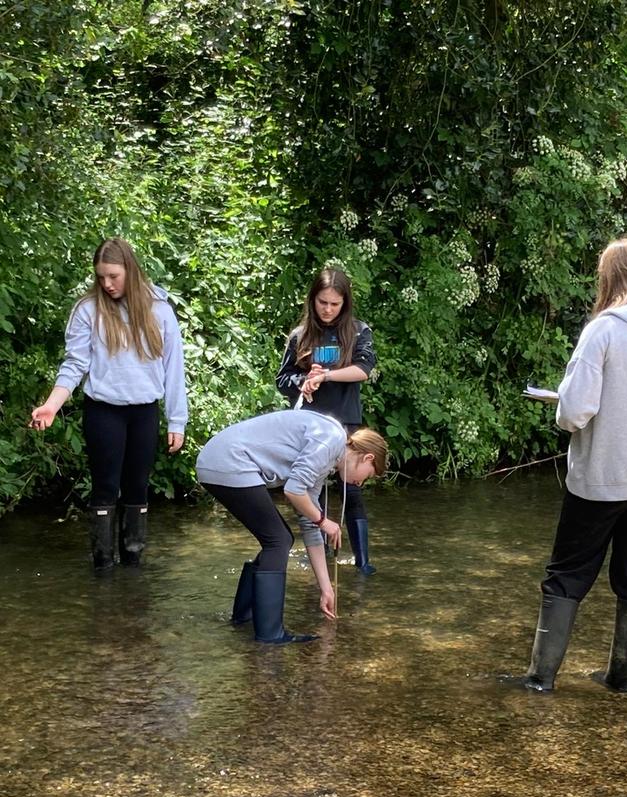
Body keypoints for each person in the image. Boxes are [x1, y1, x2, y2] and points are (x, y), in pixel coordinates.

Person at [505, 237, 627, 694]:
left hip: (606, 474)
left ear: (608, 279)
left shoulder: (603, 330)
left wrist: (560, 402)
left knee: (567, 573)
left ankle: (539, 680)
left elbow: (575, 413)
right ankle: (621, 679)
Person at [30, 238, 188, 570]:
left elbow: (174, 368)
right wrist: (52, 405)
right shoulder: (88, 310)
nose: (107, 284)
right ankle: (102, 567)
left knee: (137, 488)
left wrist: (177, 420)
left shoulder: (159, 309)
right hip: (104, 411)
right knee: (105, 487)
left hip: (144, 411)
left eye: (113, 276)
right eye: (101, 277)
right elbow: (75, 365)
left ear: (130, 270)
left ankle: (132, 568)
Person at [196, 408, 388, 644]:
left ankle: (243, 617)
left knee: (279, 538)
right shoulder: (331, 440)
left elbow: (310, 524)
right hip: (228, 461)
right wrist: (324, 521)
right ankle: (270, 634)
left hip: (220, 460)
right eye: (367, 476)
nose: (360, 483)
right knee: (278, 540)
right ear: (367, 458)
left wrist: (326, 589)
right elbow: (294, 490)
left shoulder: (326, 460)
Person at [276, 267, 379, 573]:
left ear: (345, 304)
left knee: (352, 491)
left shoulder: (359, 332)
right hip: (309, 425)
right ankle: (318, 557)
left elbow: (363, 369)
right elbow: (282, 380)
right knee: (312, 491)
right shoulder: (300, 335)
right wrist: (304, 379)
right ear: (313, 300)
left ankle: (363, 563)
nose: (328, 309)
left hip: (347, 422)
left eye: (335, 304)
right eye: (323, 302)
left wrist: (327, 376)